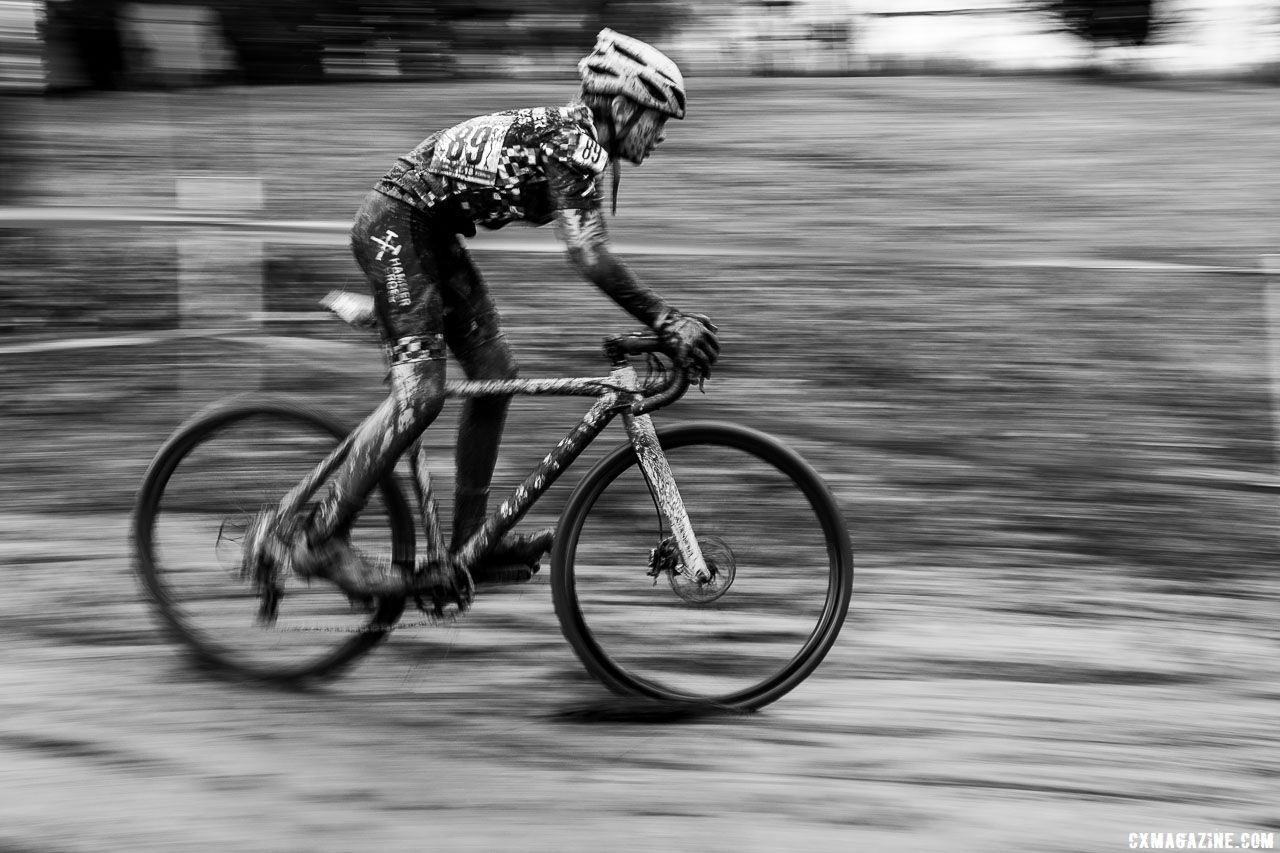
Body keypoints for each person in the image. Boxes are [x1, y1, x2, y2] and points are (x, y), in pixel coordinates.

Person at [248, 29, 719, 610]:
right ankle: (320, 538)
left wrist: (662, 315)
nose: (660, 136)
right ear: (622, 107)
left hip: (431, 235)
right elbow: (588, 253)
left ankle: (472, 543)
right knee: (421, 396)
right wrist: (666, 319)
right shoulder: (573, 143)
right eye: (657, 119)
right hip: (396, 225)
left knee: (497, 369)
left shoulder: (585, 147)